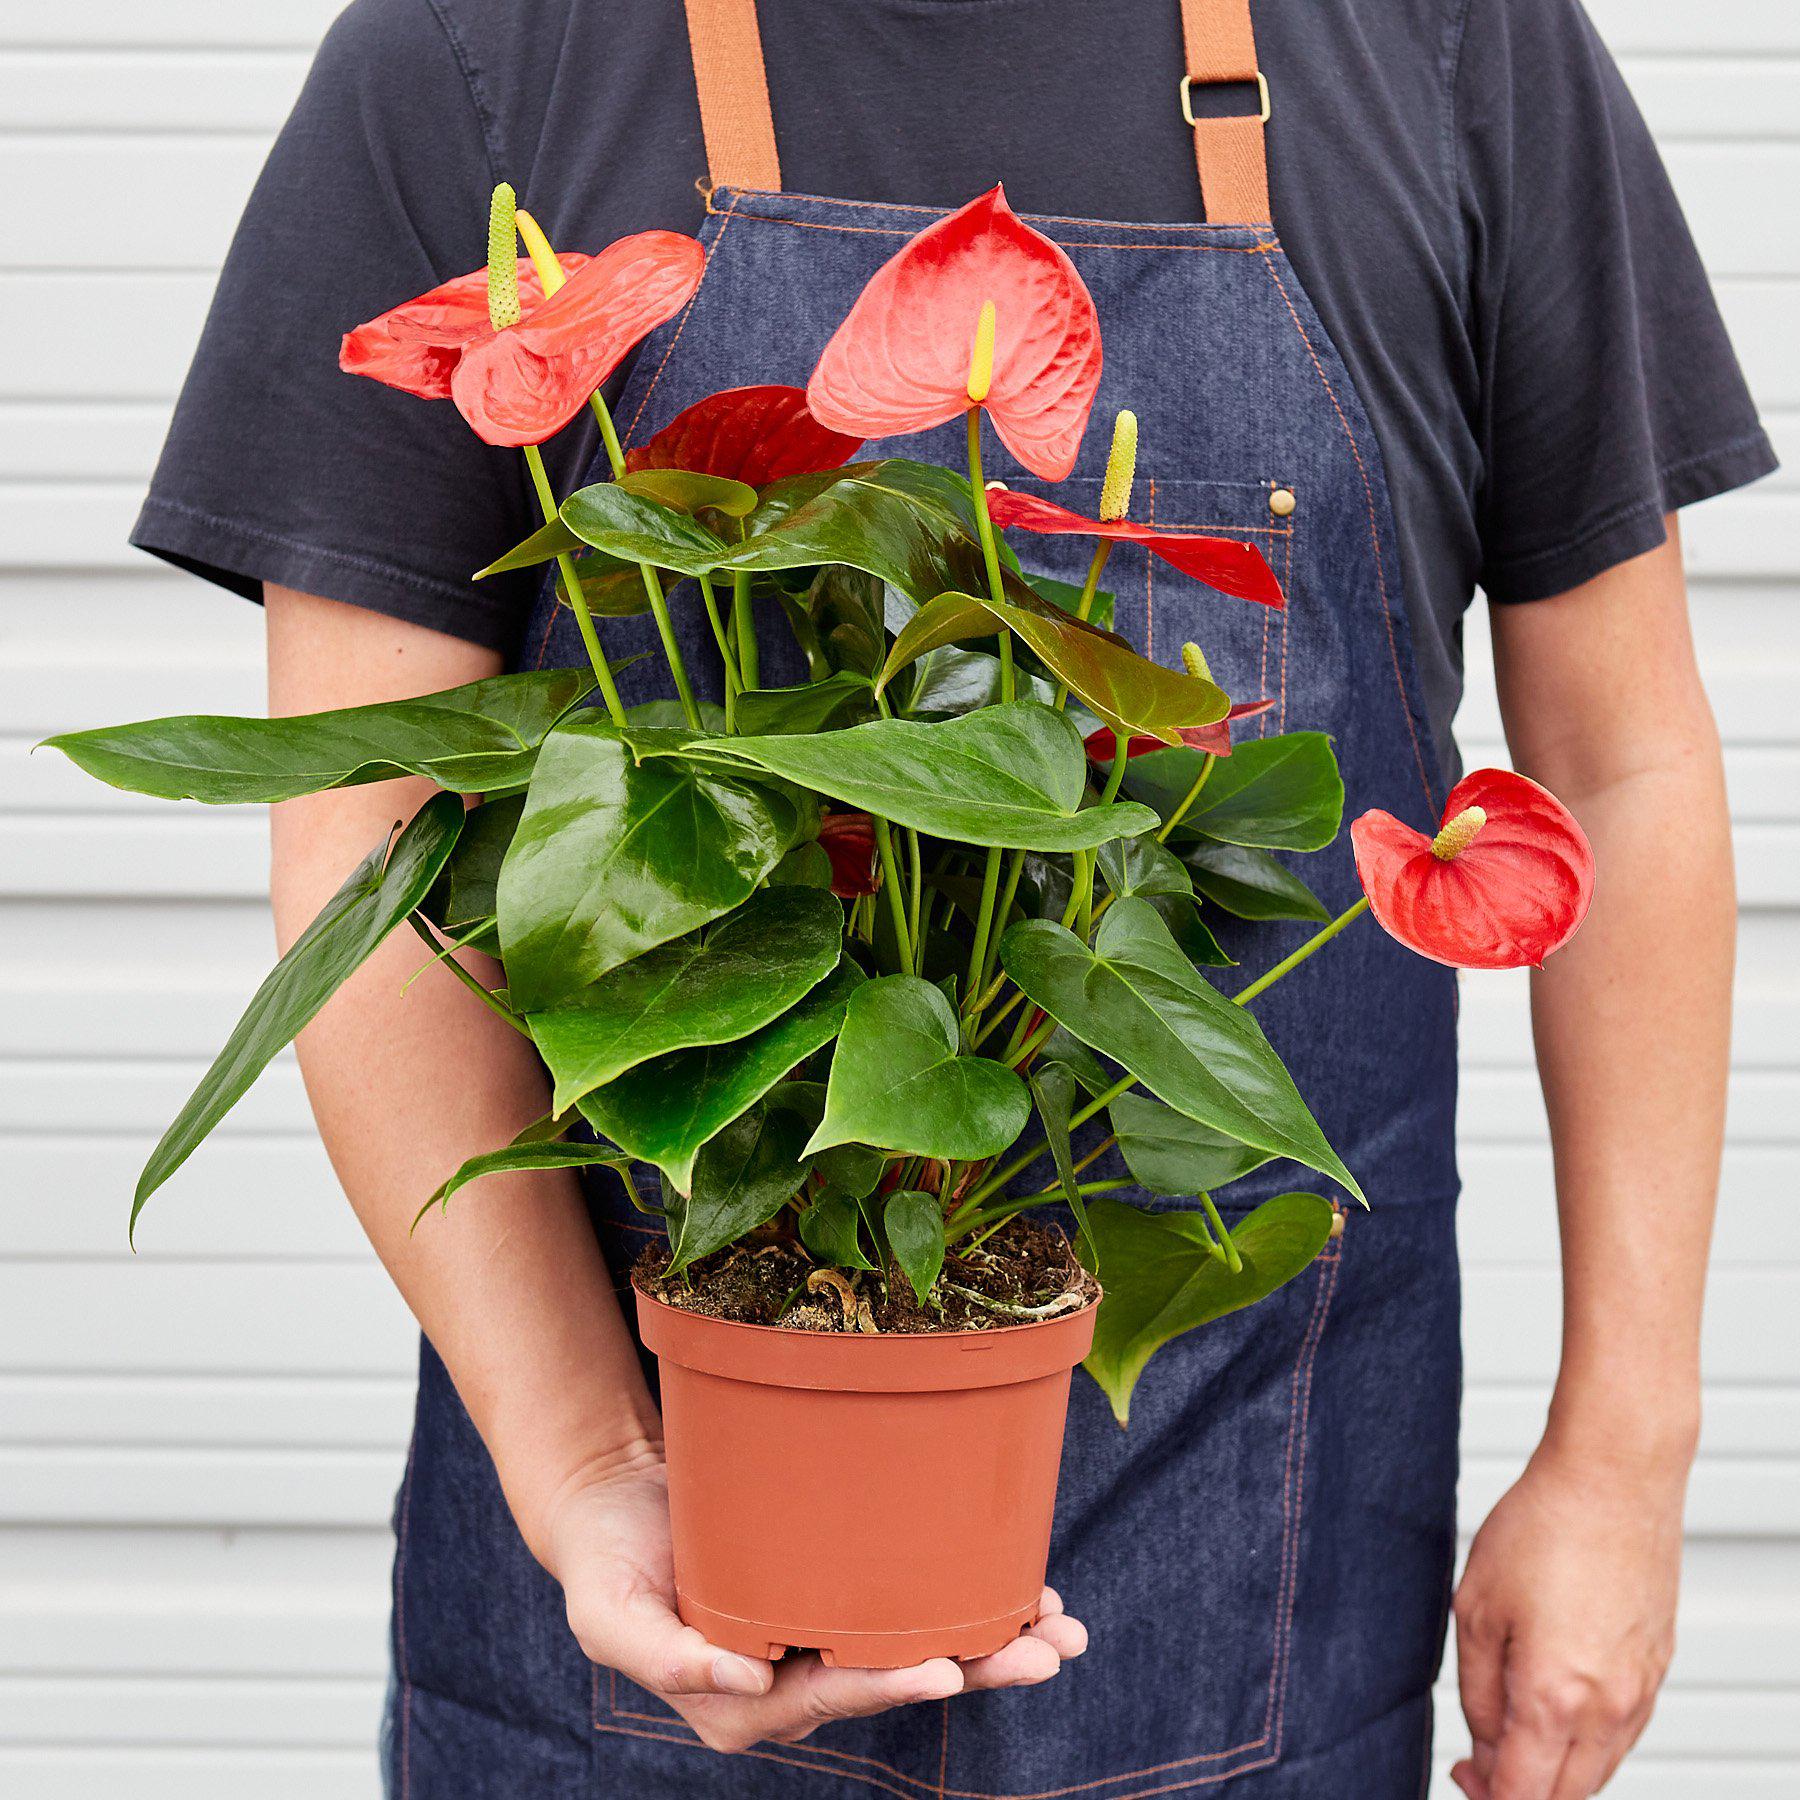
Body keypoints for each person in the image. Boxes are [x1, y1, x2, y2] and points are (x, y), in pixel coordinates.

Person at [132, 1, 1766, 1795]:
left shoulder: (1451, 44)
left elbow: (1620, 772)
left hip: (1260, 1564)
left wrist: (1626, 1452)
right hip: (635, 1585)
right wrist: (588, 1464)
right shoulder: (482, 50)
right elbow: (374, 830)